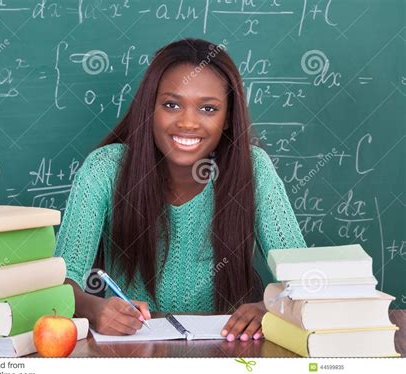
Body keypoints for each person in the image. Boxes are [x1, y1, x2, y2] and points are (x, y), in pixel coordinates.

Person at [55, 38, 306, 342]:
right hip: (134, 350)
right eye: (172, 105)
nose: (188, 122)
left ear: (227, 119)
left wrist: (272, 307)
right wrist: (95, 309)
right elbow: (62, 281)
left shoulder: (254, 169)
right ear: (150, 109)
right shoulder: (105, 169)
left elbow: (304, 277)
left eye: (208, 108)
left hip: (230, 352)